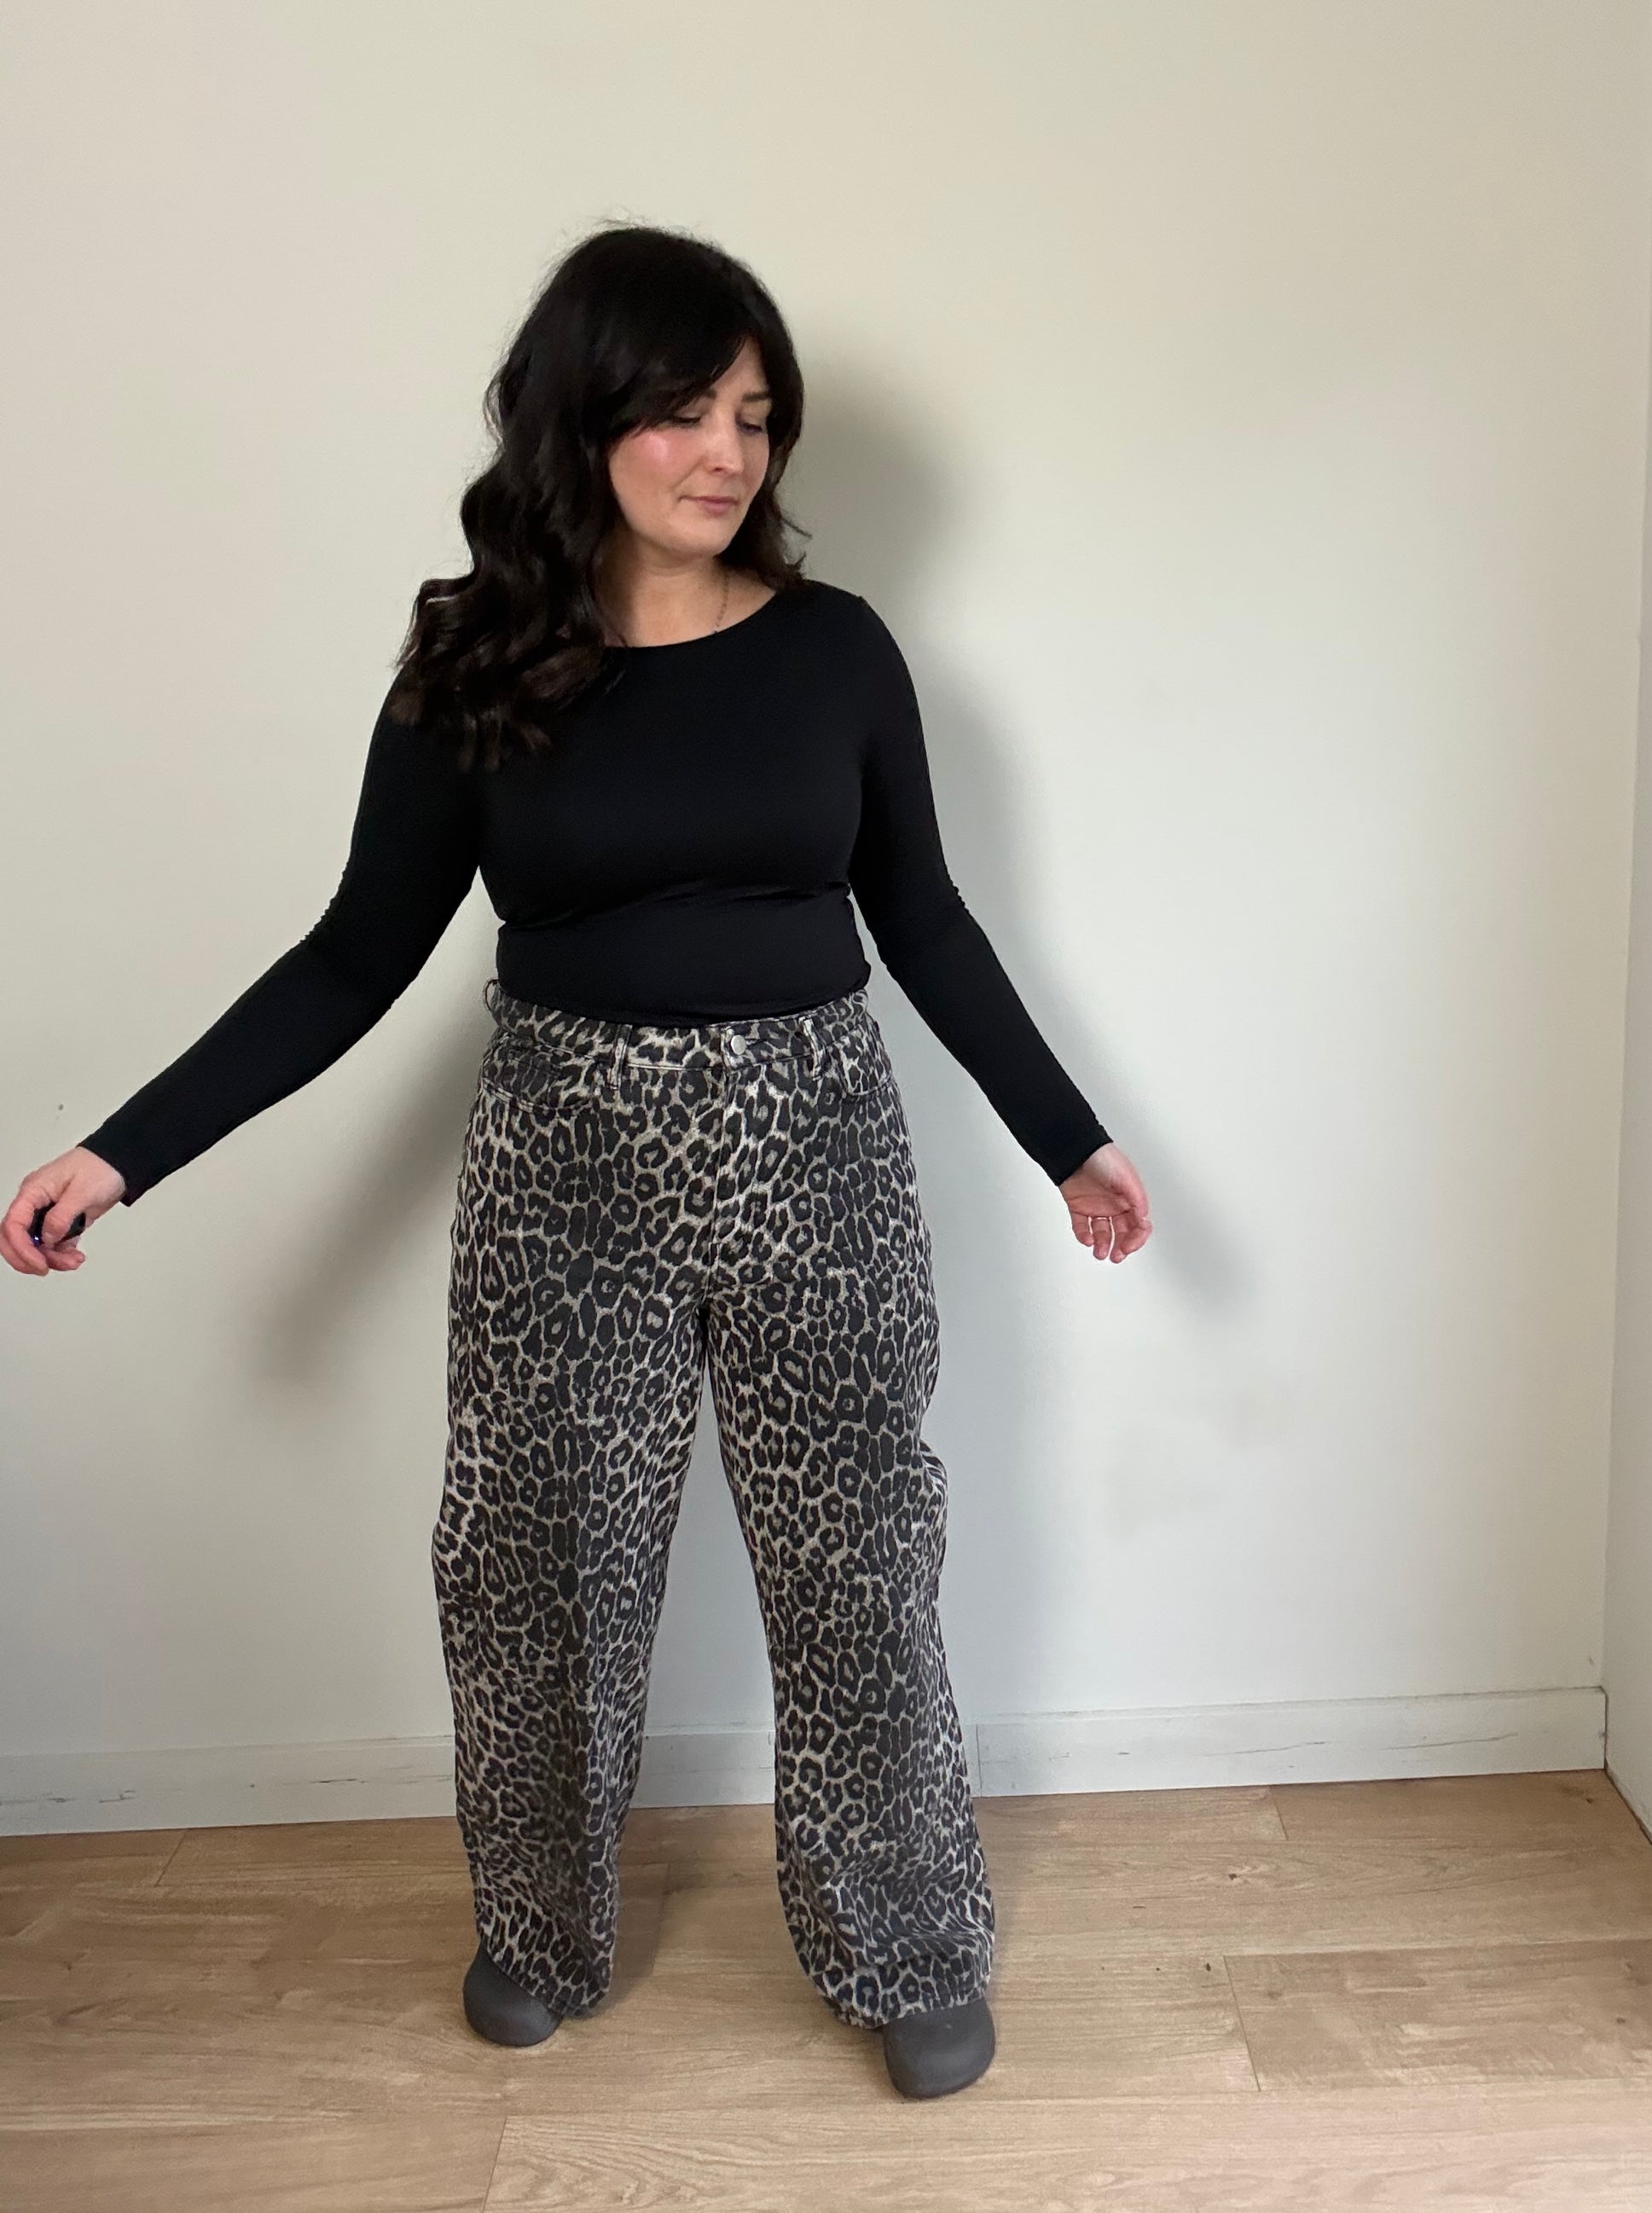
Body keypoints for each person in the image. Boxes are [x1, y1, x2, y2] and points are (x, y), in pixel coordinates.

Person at [2, 222, 1152, 2100]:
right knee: (536, 1562)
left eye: (755, 415)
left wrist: (1067, 1138)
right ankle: (535, 1922)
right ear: (583, 417)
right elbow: (351, 956)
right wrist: (122, 1153)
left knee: (860, 1557)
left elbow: (927, 919)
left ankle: (904, 1938)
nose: (726, 453)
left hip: (818, 1154)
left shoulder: (839, 652)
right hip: (564, 1169)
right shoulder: (474, 660)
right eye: (682, 411)